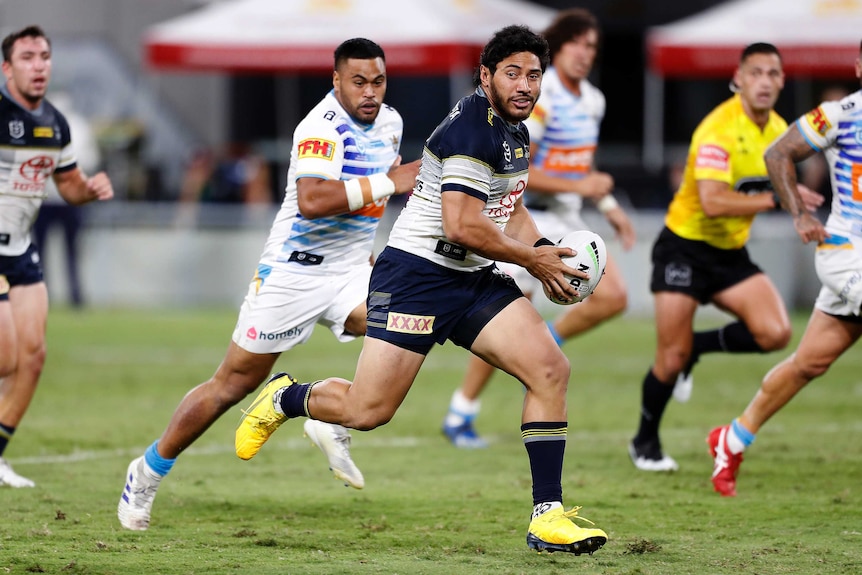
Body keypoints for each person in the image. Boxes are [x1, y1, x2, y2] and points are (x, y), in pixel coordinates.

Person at [235, 25, 609, 556]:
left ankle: (547, 516)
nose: (526, 84)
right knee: (368, 411)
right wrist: (532, 260)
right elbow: (460, 225)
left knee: (550, 369)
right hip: (416, 277)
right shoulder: (471, 133)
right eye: (512, 73)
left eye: (534, 74)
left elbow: (510, 209)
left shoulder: (516, 132)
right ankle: (287, 396)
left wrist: (548, 249)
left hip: (474, 279)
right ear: (486, 76)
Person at [117, 38, 420, 530]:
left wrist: (367, 253)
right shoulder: (319, 128)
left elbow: (368, 198)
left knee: (405, 324)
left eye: (378, 81)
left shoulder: (391, 122)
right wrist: (393, 181)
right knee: (232, 385)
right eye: (359, 81)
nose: (370, 92)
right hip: (293, 274)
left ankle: (325, 412)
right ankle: (149, 469)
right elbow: (314, 201)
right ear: (336, 80)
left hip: (349, 271)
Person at [441, 8, 635, 449]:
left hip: (565, 216)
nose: (585, 55)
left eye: (592, 47)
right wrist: (582, 185)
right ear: (558, 49)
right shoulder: (538, 102)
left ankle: (542, 343)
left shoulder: (593, 100)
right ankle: (461, 410)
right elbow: (524, 172)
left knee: (614, 296)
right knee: (508, 309)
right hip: (526, 213)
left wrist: (607, 205)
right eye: (577, 45)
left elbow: (583, 166)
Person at [628, 42, 824, 472]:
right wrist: (778, 199)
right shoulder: (718, 128)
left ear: (782, 82)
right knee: (668, 359)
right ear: (738, 78)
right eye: (756, 73)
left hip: (729, 254)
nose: (765, 82)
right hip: (684, 247)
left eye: (773, 74)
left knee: (775, 333)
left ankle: (696, 346)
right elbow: (714, 202)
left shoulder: (779, 132)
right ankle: (644, 441)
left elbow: (785, 186)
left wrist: (797, 201)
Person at [708, 42, 862, 497]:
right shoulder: (838, 114)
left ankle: (732, 438)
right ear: (858, 66)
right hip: (848, 253)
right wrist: (797, 211)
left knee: (809, 362)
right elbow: (778, 153)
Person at [0, 25, 114, 487]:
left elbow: (69, 187)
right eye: (27, 57)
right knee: (6, 354)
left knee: (33, 357)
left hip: (20, 251)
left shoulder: (56, 124)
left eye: (44, 56)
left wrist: (89, 190)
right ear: (7, 68)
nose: (39, 65)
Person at [32, 91, 102, 308]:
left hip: (62, 200)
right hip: (50, 199)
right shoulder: (40, 125)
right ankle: (56, 294)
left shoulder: (75, 127)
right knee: (52, 252)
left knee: (66, 251)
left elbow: (90, 160)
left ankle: (72, 294)